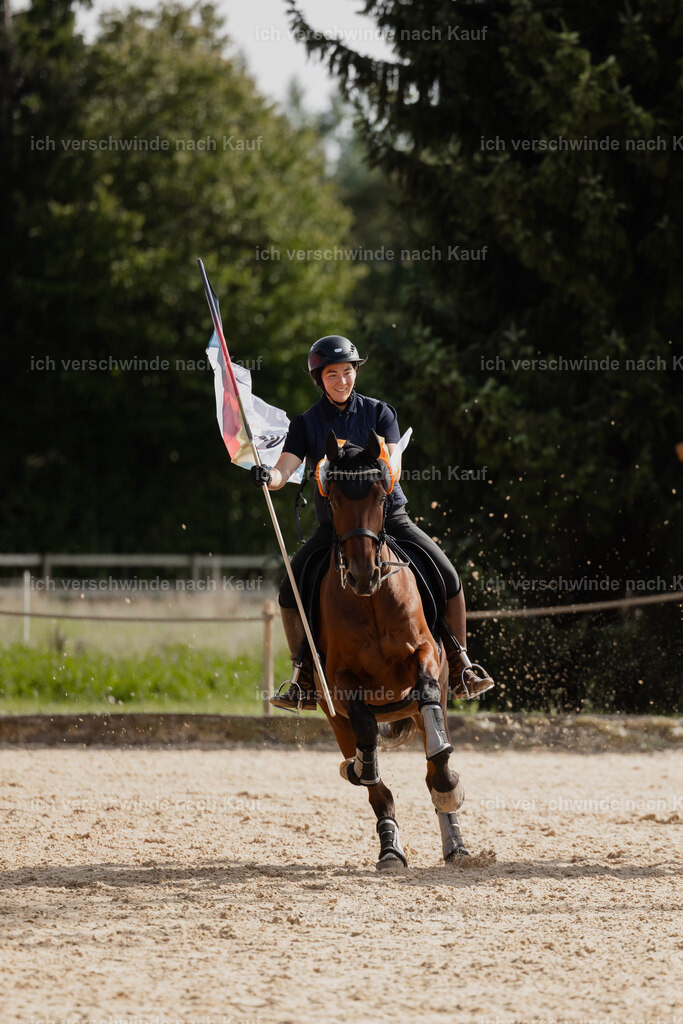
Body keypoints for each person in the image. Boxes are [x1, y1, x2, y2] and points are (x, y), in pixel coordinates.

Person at [250, 335, 494, 711]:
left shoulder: (381, 412)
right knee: (289, 589)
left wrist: (383, 468)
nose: (342, 380)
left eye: (348, 372)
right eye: (333, 375)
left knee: (448, 575)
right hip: (336, 528)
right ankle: (304, 678)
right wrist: (271, 478)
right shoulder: (305, 424)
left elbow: (393, 458)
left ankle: (461, 665)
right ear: (319, 379)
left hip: (388, 518)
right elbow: (287, 467)